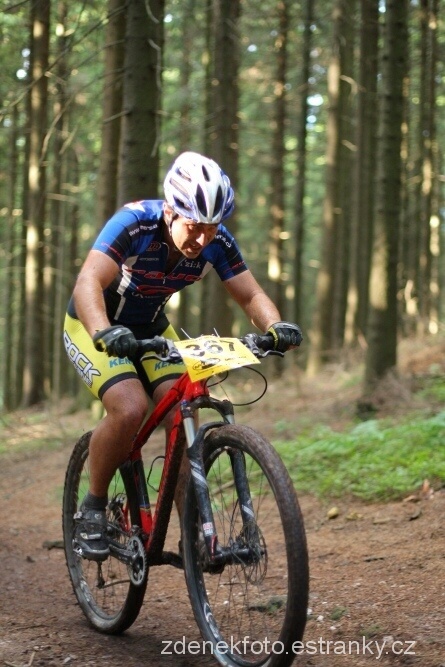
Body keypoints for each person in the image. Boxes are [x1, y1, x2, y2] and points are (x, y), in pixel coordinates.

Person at [63, 151, 302, 561]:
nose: (202, 240)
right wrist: (103, 331)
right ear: (171, 211)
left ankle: (193, 536)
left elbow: (250, 294)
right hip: (93, 325)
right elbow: (88, 281)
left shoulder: (216, 243)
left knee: (182, 413)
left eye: (211, 229)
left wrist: (275, 326)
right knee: (130, 407)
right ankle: (93, 506)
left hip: (153, 329)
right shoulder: (134, 224)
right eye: (194, 227)